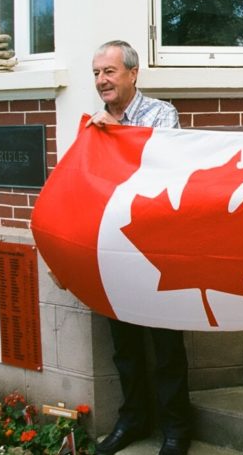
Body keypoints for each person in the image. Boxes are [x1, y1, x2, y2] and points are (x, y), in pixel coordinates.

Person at [88, 40, 192, 455]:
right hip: (113, 247)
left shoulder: (161, 113)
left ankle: (176, 429)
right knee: (125, 346)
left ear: (133, 74)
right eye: (96, 73)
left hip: (157, 248)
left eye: (109, 72)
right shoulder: (93, 123)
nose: (101, 81)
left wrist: (111, 137)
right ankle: (132, 419)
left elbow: (163, 168)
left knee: (166, 345)